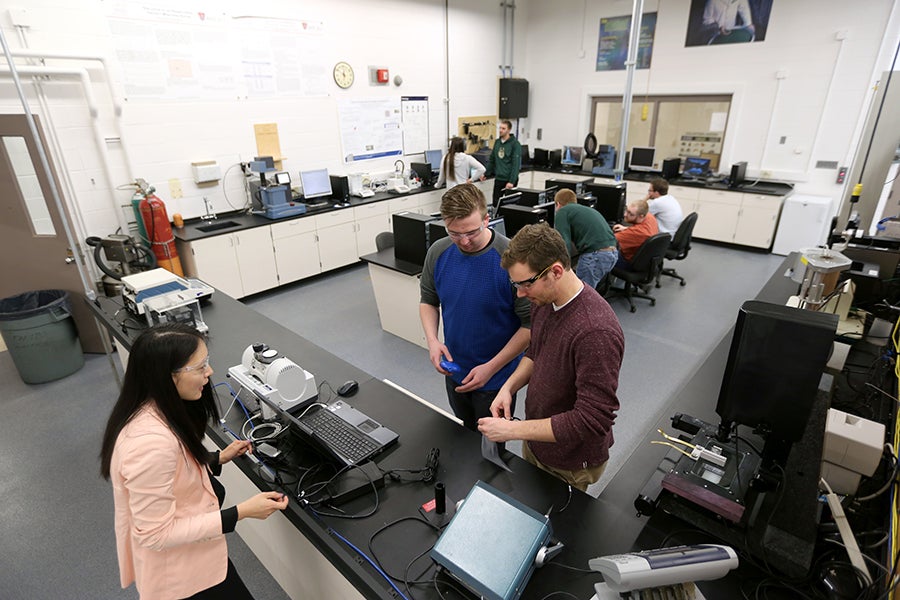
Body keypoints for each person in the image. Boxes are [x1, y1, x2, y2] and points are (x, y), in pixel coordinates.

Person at [100, 323, 288, 599]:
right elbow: (155, 534)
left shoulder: (154, 409)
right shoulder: (150, 444)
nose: (209, 373)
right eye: (200, 367)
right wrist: (242, 512)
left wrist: (215, 459)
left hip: (202, 562)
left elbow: (173, 473)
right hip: (182, 581)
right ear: (168, 376)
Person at [477, 224, 624, 491]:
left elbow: (593, 420)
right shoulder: (544, 302)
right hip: (538, 439)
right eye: (516, 284)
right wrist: (508, 387)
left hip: (569, 461)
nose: (520, 294)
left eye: (525, 284)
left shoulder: (595, 331)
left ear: (555, 271)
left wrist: (512, 432)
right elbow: (536, 351)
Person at [420, 183, 531, 430]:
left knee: (492, 447)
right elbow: (428, 300)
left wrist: (490, 368)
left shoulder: (511, 258)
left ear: (486, 219)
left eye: (471, 231)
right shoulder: (438, 252)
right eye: (455, 233)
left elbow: (530, 326)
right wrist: (432, 342)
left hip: (498, 378)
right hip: (455, 371)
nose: (465, 241)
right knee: (465, 433)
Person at [552, 188, 618, 289]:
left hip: (595, 256)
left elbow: (563, 243)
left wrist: (559, 267)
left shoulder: (563, 211)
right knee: (588, 292)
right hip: (612, 253)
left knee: (579, 294)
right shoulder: (588, 210)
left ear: (558, 204)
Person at [482, 119, 522, 206]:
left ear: (509, 130)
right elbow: (492, 160)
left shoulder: (515, 144)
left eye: (503, 128)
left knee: (510, 205)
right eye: (500, 128)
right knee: (496, 203)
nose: (500, 130)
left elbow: (516, 165)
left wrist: (511, 181)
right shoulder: (497, 142)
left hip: (509, 179)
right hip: (499, 178)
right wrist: (486, 174)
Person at [612, 199, 659, 270]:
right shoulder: (649, 216)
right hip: (644, 261)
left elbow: (607, 240)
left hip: (628, 263)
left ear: (641, 216)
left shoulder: (637, 233)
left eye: (630, 214)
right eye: (627, 210)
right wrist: (626, 228)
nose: (625, 214)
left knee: (601, 251)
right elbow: (640, 231)